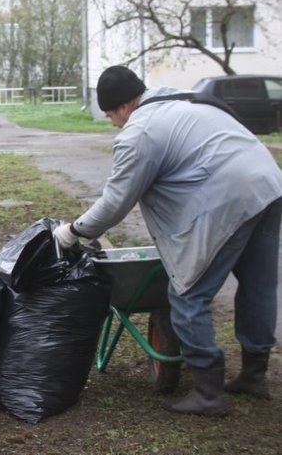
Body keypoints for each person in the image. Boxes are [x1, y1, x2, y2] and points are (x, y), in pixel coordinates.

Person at [52, 65, 282, 417]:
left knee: (188, 294)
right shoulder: (186, 103)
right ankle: (254, 375)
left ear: (124, 107)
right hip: (269, 186)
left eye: (111, 115)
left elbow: (116, 202)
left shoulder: (140, 131)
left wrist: (74, 231)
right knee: (258, 285)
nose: (114, 123)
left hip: (231, 197)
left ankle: (208, 392)